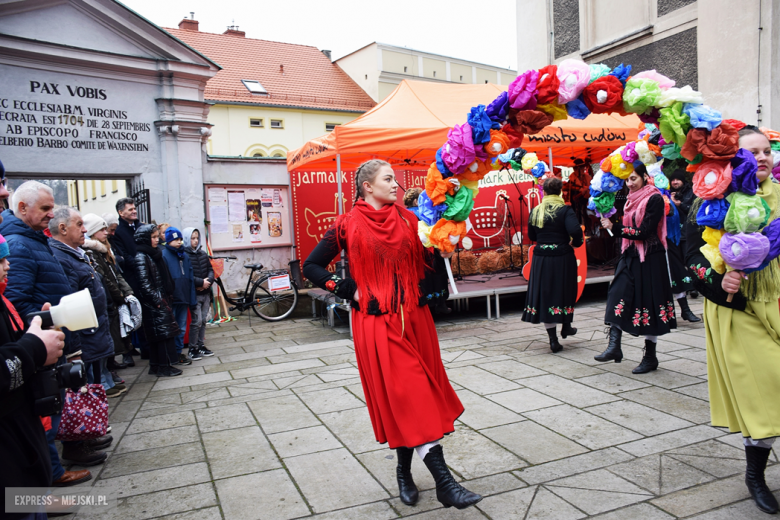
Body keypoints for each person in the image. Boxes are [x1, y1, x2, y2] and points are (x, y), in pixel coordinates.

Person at [303, 159, 482, 510]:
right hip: (376, 321)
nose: (395, 184)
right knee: (410, 393)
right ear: (367, 186)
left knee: (409, 400)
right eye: (388, 179)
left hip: (416, 318)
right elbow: (310, 265)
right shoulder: (346, 224)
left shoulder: (409, 219)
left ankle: (403, 472)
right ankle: (445, 483)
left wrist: (446, 243)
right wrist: (345, 288)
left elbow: (431, 255)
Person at [685, 125, 780, 514]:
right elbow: (690, 258)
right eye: (750, 153)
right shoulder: (710, 201)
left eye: (766, 152)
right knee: (764, 390)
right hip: (738, 308)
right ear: (733, 160)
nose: (760, 158)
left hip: (777, 302)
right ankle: (755, 474)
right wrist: (718, 278)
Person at [0, 181, 100, 479]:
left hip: (43, 341)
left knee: (50, 410)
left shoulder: (33, 240)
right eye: (45, 209)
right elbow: (15, 301)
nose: (50, 216)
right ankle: (50, 479)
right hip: (32, 347)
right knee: (42, 415)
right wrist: (44, 321)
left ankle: (51, 474)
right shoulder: (18, 245)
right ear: (22, 208)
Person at [0, 231, 71, 514]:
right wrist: (34, 348)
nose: (8, 265)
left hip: (20, 448)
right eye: (1, 259)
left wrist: (37, 334)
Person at [595, 165, 677, 373]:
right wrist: (611, 223)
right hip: (631, 254)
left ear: (645, 177)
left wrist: (616, 227)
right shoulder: (631, 199)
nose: (629, 183)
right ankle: (614, 346)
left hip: (651, 256)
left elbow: (645, 232)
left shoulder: (655, 199)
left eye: (633, 178)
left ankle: (650, 357)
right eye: (626, 180)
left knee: (649, 305)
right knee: (616, 293)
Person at [48, 208, 124, 398]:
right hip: (84, 336)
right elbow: (70, 303)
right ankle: (89, 423)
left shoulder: (77, 253)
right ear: (63, 229)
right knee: (86, 388)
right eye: (79, 225)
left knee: (95, 384)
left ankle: (95, 420)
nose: (84, 230)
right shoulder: (62, 258)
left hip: (94, 332)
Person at [521, 177, 584, 352]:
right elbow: (575, 231)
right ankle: (566, 325)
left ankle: (554, 340)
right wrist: (576, 243)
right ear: (560, 192)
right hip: (562, 256)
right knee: (565, 290)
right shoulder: (565, 210)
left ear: (545, 192)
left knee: (547, 294)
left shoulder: (535, 210)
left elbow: (532, 235)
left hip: (541, 258)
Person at [83, 214, 136, 369]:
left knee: (118, 331)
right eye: (102, 229)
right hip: (109, 299)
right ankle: (110, 368)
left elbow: (116, 273)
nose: (106, 233)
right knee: (111, 334)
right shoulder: (91, 252)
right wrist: (119, 296)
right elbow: (105, 278)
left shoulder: (106, 249)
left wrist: (127, 291)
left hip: (116, 297)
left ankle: (113, 365)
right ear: (93, 231)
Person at [134, 224, 182, 377]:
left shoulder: (153, 253)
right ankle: (163, 366)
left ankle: (157, 365)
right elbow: (144, 283)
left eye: (156, 237)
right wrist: (158, 300)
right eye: (153, 237)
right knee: (161, 335)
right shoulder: (142, 256)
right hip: (154, 302)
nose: (156, 240)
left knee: (161, 334)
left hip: (160, 298)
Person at [401, 188, 450, 314]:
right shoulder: (425, 212)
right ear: (417, 201)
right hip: (429, 249)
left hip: (413, 252)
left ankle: (428, 307)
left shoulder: (403, 214)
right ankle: (440, 304)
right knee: (437, 273)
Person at [664, 182, 701, 323]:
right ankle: (667, 314)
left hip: (668, 241)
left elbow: (676, 216)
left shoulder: (666, 197)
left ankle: (685, 310)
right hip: (650, 245)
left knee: (677, 273)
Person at [161, 227, 197, 365]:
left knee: (181, 327)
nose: (179, 242)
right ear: (169, 241)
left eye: (180, 239)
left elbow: (190, 278)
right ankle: (171, 354)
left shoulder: (184, 256)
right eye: (176, 239)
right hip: (172, 298)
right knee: (172, 327)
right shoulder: (164, 255)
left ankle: (178, 352)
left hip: (184, 297)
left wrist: (191, 298)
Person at [183, 227, 215, 359]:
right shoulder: (184, 256)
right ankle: (193, 347)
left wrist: (208, 281)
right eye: (192, 238)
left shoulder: (202, 254)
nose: (195, 241)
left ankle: (201, 345)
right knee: (196, 321)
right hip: (194, 293)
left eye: (197, 238)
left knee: (203, 320)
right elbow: (187, 275)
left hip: (206, 292)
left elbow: (210, 269)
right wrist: (200, 282)